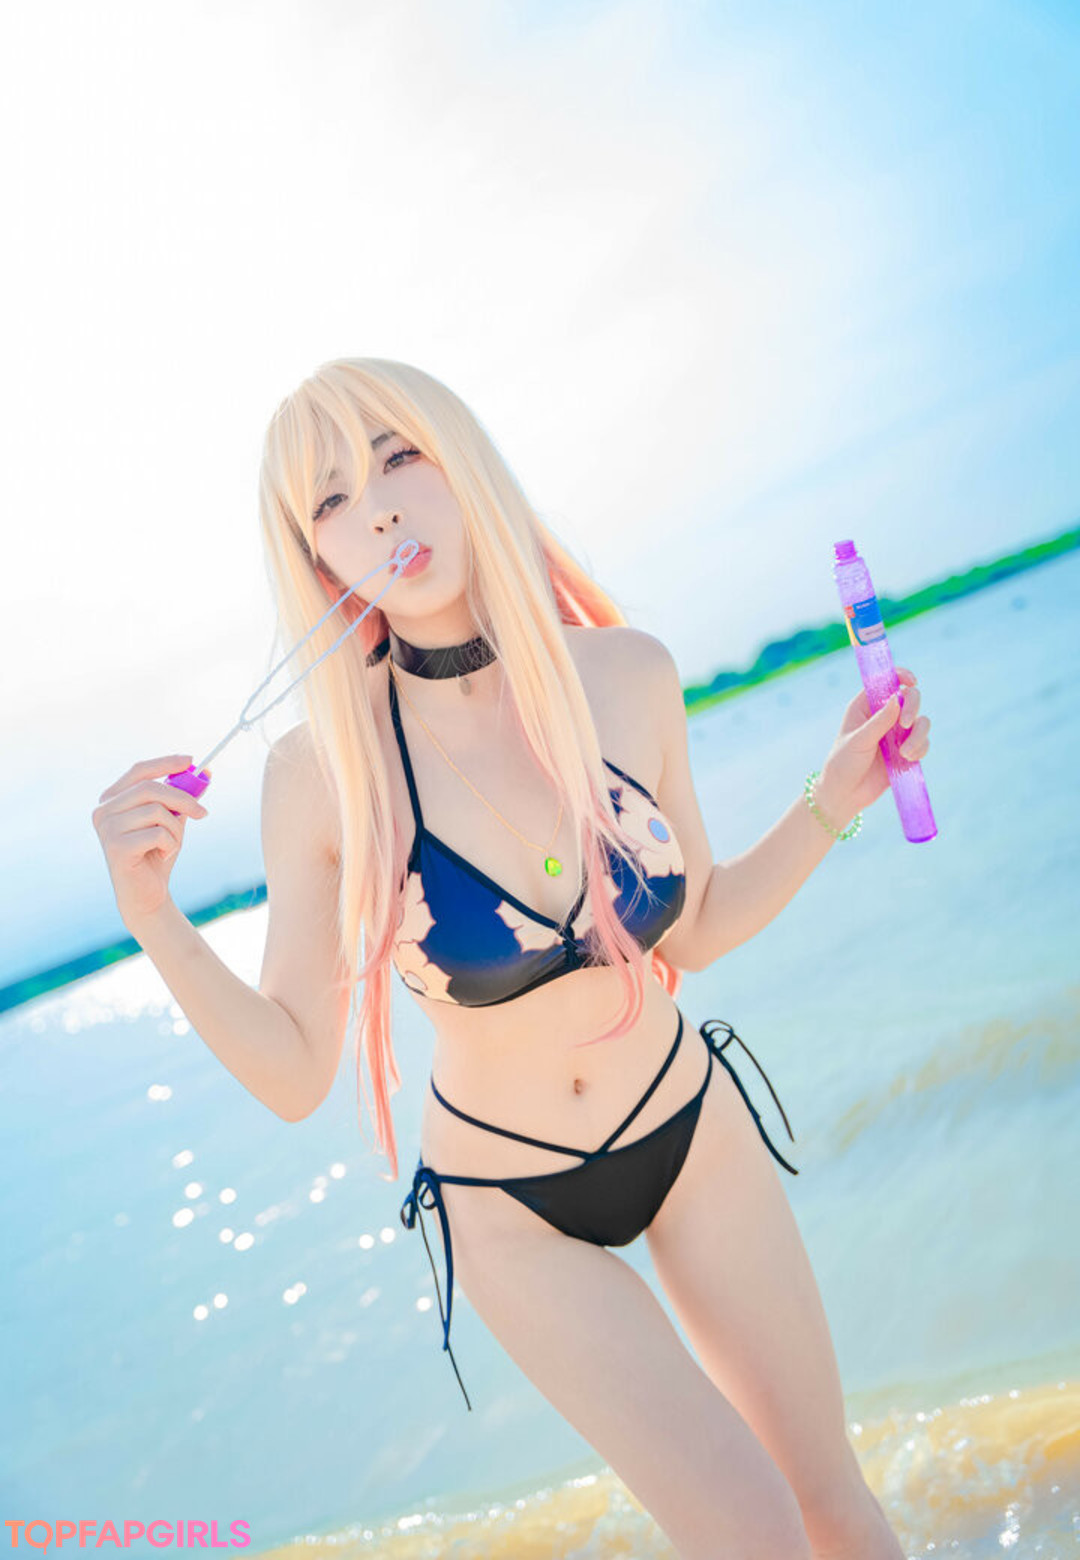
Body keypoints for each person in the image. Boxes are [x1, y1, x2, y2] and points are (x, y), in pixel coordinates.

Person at [93, 358, 928, 1560]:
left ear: (461, 459)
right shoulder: (323, 776)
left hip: (689, 1126)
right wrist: (152, 918)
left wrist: (834, 795)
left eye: (399, 459)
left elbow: (696, 924)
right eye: (333, 500)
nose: (381, 511)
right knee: (756, 1537)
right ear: (315, 557)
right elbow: (293, 1073)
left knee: (835, 1506)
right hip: (513, 1207)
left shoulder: (626, 674)